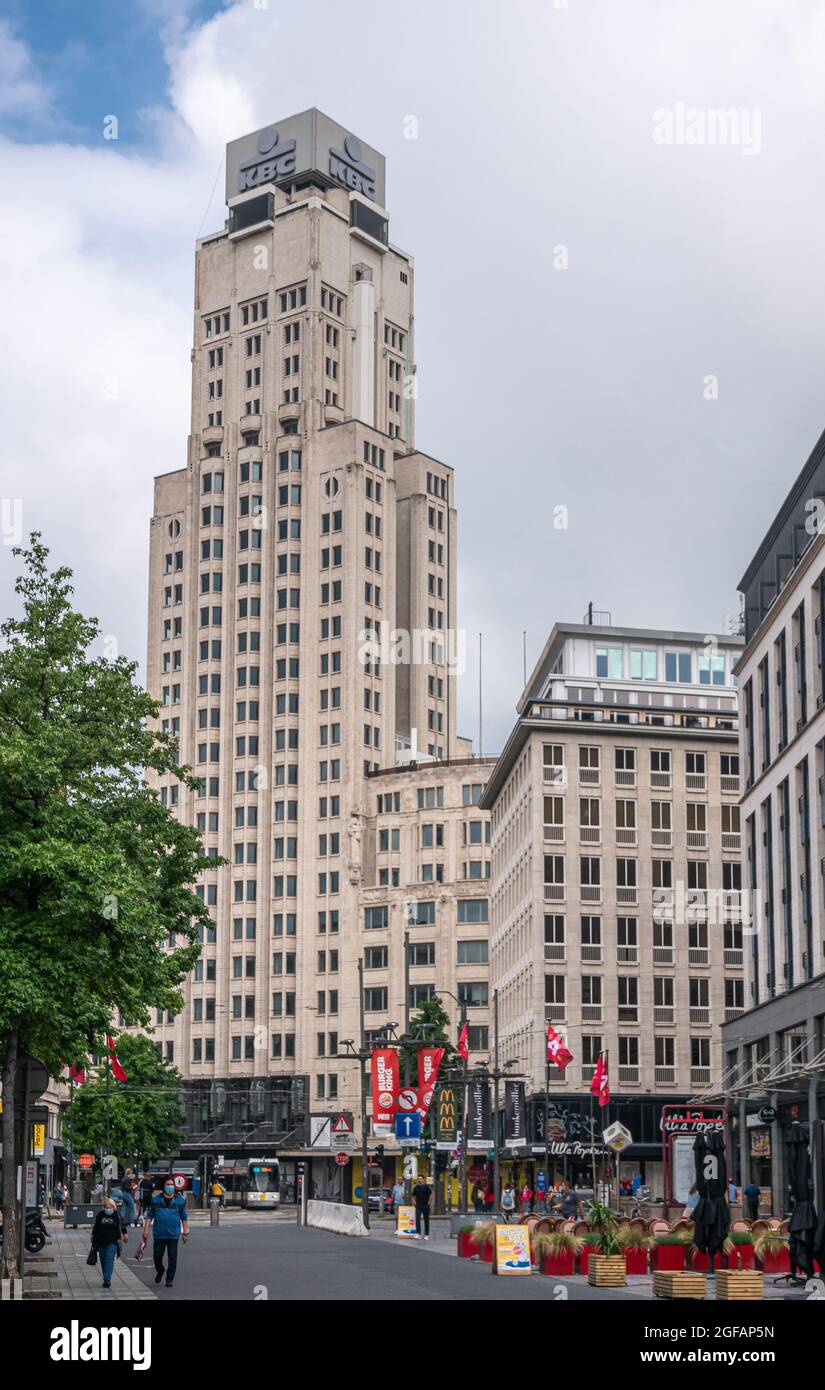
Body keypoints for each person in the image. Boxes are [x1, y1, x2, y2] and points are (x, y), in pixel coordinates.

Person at [143, 1179, 189, 1288]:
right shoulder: (156, 1200)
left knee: (172, 1257)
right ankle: (160, 1270)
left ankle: (169, 1279)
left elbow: (184, 1217)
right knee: (157, 1256)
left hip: (173, 1234)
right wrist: (145, 1230)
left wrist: (186, 1233)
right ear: (163, 1186)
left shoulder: (180, 1201)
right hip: (159, 1234)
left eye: (172, 1185)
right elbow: (149, 1216)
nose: (170, 1186)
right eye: (168, 1184)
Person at [90, 1196, 123, 1289]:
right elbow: (96, 1227)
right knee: (103, 1260)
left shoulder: (116, 1215)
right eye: (106, 1207)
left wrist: (124, 1235)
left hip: (112, 1241)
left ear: (113, 1207)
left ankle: (107, 1279)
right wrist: (93, 1236)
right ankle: (106, 1276)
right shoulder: (100, 1214)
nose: (108, 1209)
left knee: (109, 1259)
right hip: (100, 1241)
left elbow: (121, 1226)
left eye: (110, 1207)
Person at [412, 1176, 432, 1240]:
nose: (419, 1180)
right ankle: (418, 1234)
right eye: (418, 1179)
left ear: (423, 1179)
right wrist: (414, 1203)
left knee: (426, 1220)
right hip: (418, 1205)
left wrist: (429, 1203)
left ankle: (426, 1235)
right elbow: (413, 1196)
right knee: (417, 1219)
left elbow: (431, 1195)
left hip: (425, 1205)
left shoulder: (426, 1186)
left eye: (421, 1179)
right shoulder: (416, 1187)